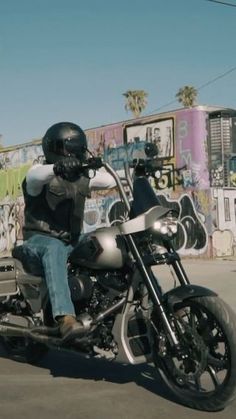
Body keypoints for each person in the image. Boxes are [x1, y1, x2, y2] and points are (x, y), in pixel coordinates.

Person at [20, 122, 117, 342]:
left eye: (77, 148)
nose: (72, 153)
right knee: (54, 248)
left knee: (109, 238)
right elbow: (35, 177)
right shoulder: (39, 173)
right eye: (68, 149)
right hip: (37, 241)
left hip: (71, 240)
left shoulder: (82, 177)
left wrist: (138, 169)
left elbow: (111, 180)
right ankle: (65, 318)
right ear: (53, 149)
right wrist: (58, 167)